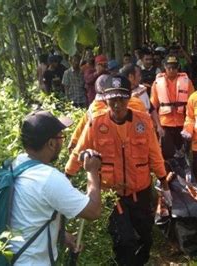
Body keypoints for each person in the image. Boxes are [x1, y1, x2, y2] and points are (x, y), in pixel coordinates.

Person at [65, 75, 170, 266]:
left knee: (145, 236)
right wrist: (67, 176)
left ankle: (140, 261)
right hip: (113, 194)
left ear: (129, 98)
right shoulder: (96, 123)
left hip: (141, 190)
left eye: (121, 99)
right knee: (124, 240)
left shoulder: (143, 121)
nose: (117, 104)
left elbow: (154, 153)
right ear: (105, 100)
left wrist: (163, 181)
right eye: (112, 99)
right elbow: (79, 151)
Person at [10, 110, 102, 265]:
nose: (62, 141)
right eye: (61, 136)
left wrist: (60, 234)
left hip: (11, 258)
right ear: (51, 144)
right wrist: (92, 171)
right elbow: (93, 211)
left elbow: (28, 213)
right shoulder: (48, 178)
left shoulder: (15, 164)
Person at [150, 54, 194, 160]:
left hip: (183, 123)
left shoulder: (186, 81)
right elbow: (153, 106)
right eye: (168, 67)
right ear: (164, 67)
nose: (171, 69)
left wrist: (192, 125)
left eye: (174, 67)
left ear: (178, 67)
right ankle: (168, 175)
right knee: (167, 154)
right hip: (165, 123)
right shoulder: (157, 83)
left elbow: (192, 103)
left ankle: (184, 175)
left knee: (183, 154)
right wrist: (156, 126)